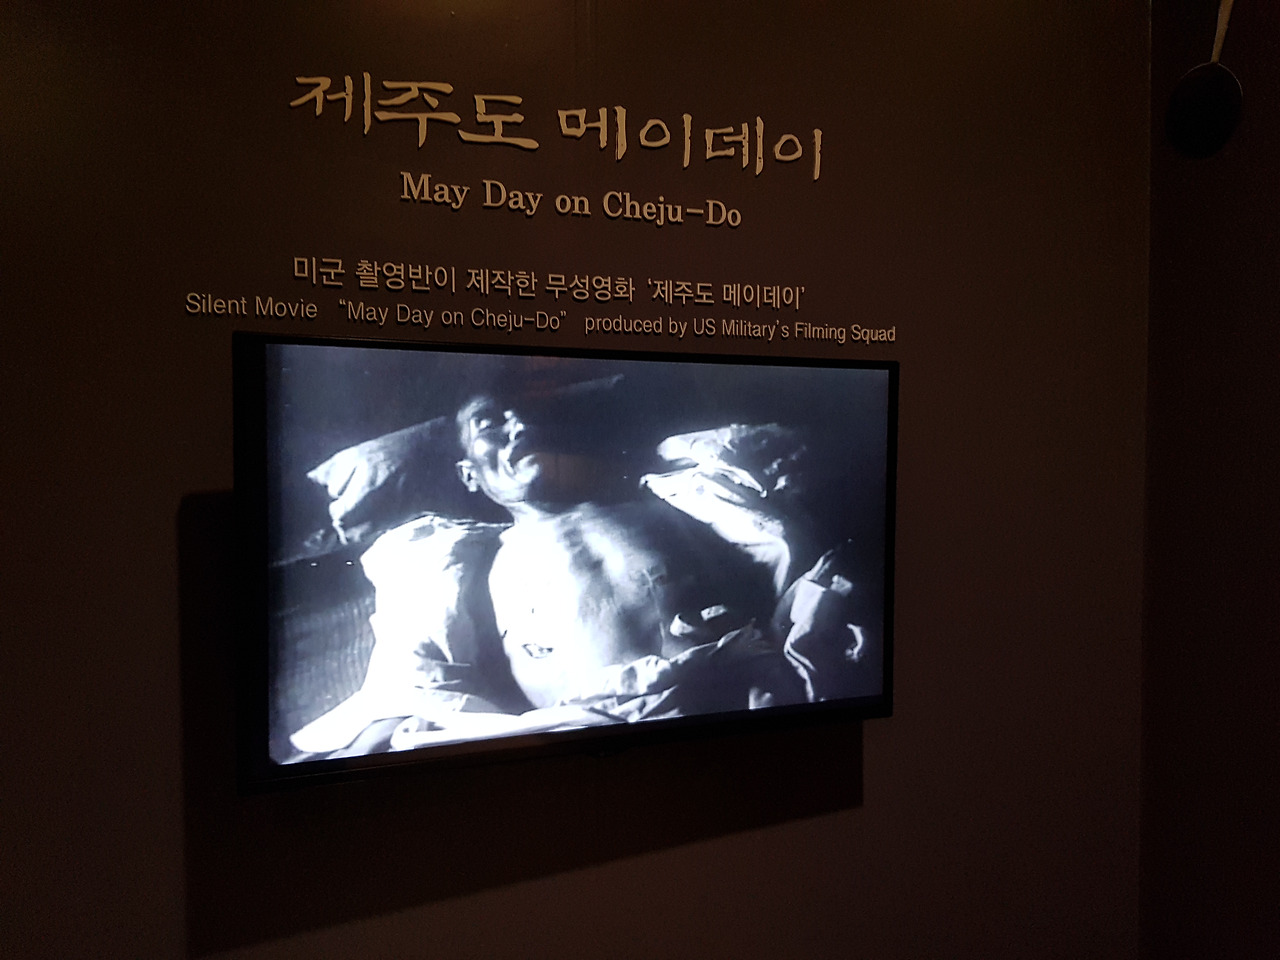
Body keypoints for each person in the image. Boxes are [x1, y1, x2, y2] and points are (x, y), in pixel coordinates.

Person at [289, 384, 872, 758]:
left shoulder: (672, 501)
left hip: (735, 700)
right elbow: (421, 684)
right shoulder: (458, 560)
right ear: (469, 475)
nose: (520, 427)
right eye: (492, 424)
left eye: (534, 418)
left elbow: (783, 563)